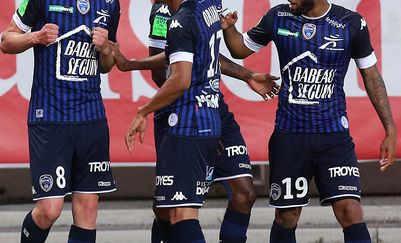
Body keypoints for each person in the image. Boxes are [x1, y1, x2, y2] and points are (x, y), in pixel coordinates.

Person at [220, 0, 397, 242]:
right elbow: (239, 50)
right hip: (290, 137)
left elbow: (372, 76)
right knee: (287, 217)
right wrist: (229, 29)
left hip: (334, 138)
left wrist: (390, 129)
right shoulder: (278, 16)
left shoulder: (351, 23)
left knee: (350, 211)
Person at [111, 1, 279, 242]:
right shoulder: (162, 13)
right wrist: (133, 66)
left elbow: (201, 50)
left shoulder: (206, 5)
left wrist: (246, 75)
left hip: (209, 111)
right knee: (169, 209)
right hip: (182, 112)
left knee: (244, 193)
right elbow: (165, 71)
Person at [0, 0, 120, 242]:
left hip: (91, 117)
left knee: (88, 210)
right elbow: (6, 40)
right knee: (49, 210)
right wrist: (36, 37)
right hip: (50, 118)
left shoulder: (110, 3)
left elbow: (107, 64)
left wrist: (106, 49)